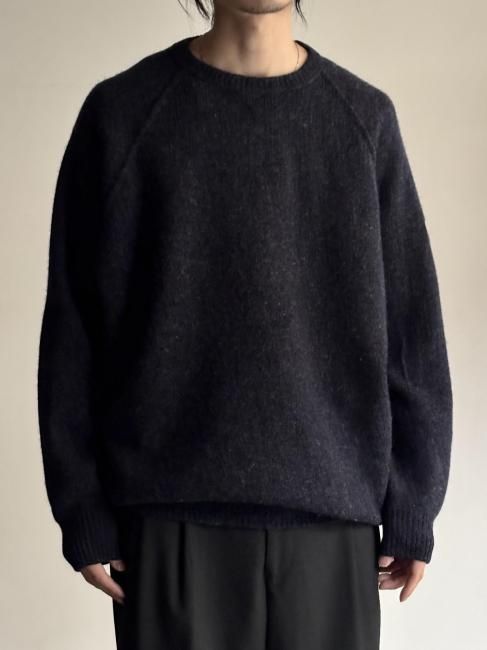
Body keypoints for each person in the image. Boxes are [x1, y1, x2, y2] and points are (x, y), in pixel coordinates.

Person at [37, 1, 453, 648]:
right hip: (168, 522)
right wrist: (81, 506)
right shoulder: (122, 115)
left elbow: (411, 332)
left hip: (332, 525)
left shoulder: (363, 120)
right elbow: (73, 330)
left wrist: (412, 504)